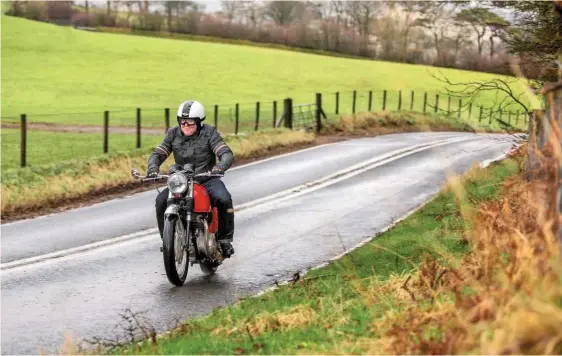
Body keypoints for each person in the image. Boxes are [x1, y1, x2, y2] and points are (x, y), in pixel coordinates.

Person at [146, 100, 235, 258]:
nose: (185, 125)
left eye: (190, 123)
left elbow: (225, 153)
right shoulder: (173, 133)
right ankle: (167, 242)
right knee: (161, 200)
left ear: (200, 122)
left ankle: (224, 240)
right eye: (182, 122)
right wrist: (153, 167)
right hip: (182, 181)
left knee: (223, 198)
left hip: (207, 178)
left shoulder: (209, 133)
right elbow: (158, 153)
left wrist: (220, 167)